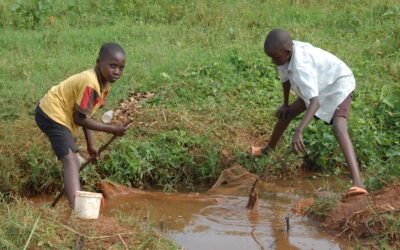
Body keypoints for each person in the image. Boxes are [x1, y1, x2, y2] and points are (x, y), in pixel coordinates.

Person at [248, 29, 368, 197]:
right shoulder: (284, 57)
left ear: (287, 52)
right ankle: (268, 149)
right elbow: (285, 79)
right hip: (318, 84)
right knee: (287, 114)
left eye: (275, 58)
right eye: (271, 58)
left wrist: (299, 130)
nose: (273, 62)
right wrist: (285, 104)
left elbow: (315, 102)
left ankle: (358, 183)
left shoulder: (302, 65)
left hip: (338, 84)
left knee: (339, 128)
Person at [35, 42, 129, 208]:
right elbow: (80, 119)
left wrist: (91, 145)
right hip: (51, 114)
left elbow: (85, 114)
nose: (117, 72)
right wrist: (112, 129)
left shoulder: (104, 84)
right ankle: (77, 212)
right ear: (99, 62)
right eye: (113, 66)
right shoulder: (90, 83)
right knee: (71, 162)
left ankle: (72, 204)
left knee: (75, 161)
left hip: (61, 117)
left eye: (121, 68)